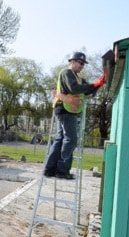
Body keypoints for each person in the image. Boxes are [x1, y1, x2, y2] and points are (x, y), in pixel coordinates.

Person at [43, 52, 106, 180]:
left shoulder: (77, 77)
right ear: (72, 61)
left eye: (84, 64)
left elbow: (86, 89)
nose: (82, 66)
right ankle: (62, 170)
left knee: (61, 139)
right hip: (64, 109)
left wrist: (98, 84)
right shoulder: (66, 73)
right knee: (71, 139)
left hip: (67, 110)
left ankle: (49, 169)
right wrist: (95, 84)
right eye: (80, 63)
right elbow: (74, 89)